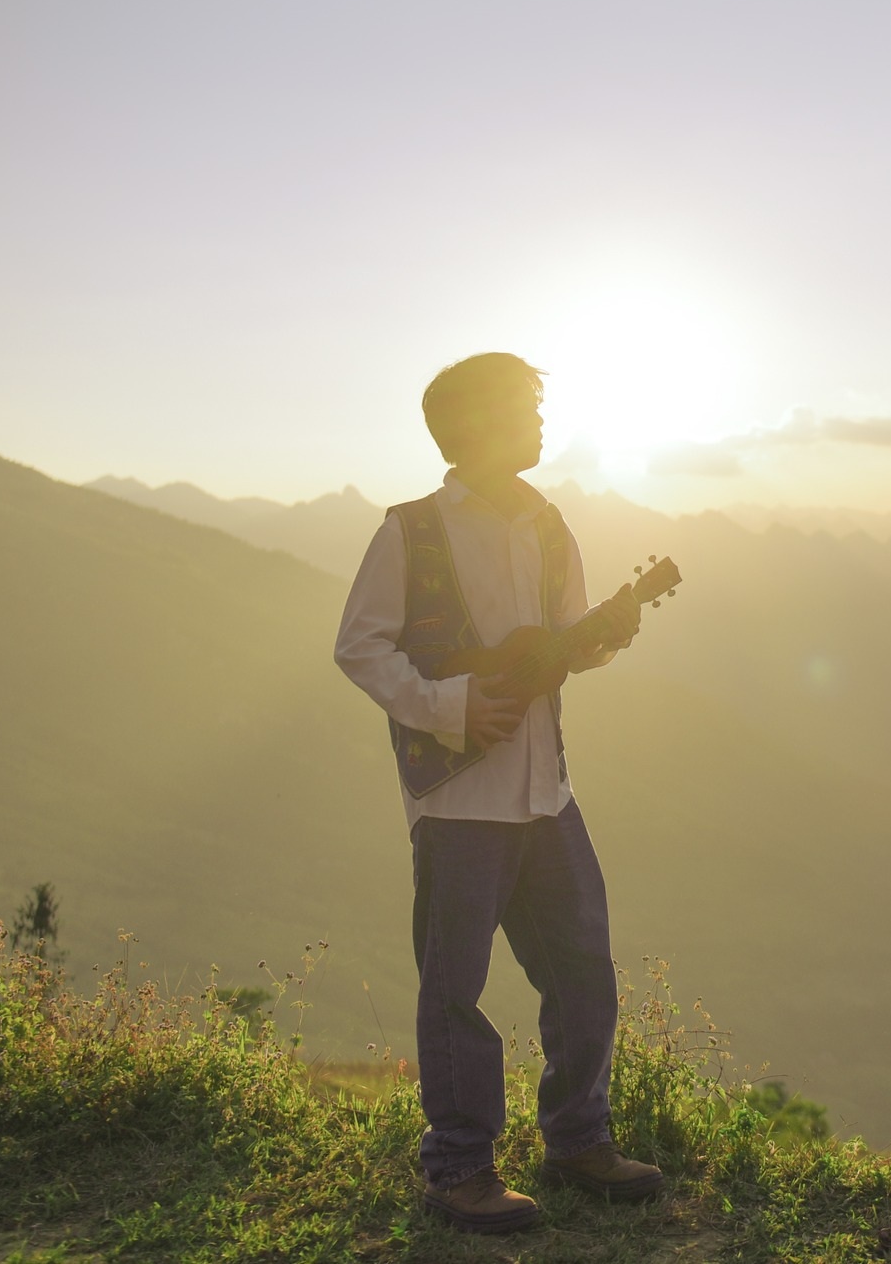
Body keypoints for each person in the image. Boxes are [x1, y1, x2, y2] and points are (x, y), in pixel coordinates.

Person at [333, 352, 660, 1234]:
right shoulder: (410, 530)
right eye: (526, 407)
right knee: (455, 990)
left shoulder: (550, 526)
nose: (543, 422)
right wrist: (449, 706)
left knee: (583, 968)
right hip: (457, 804)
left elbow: (563, 648)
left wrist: (604, 638)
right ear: (473, 423)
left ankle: (578, 1139)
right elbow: (360, 646)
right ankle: (458, 1167)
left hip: (546, 791)